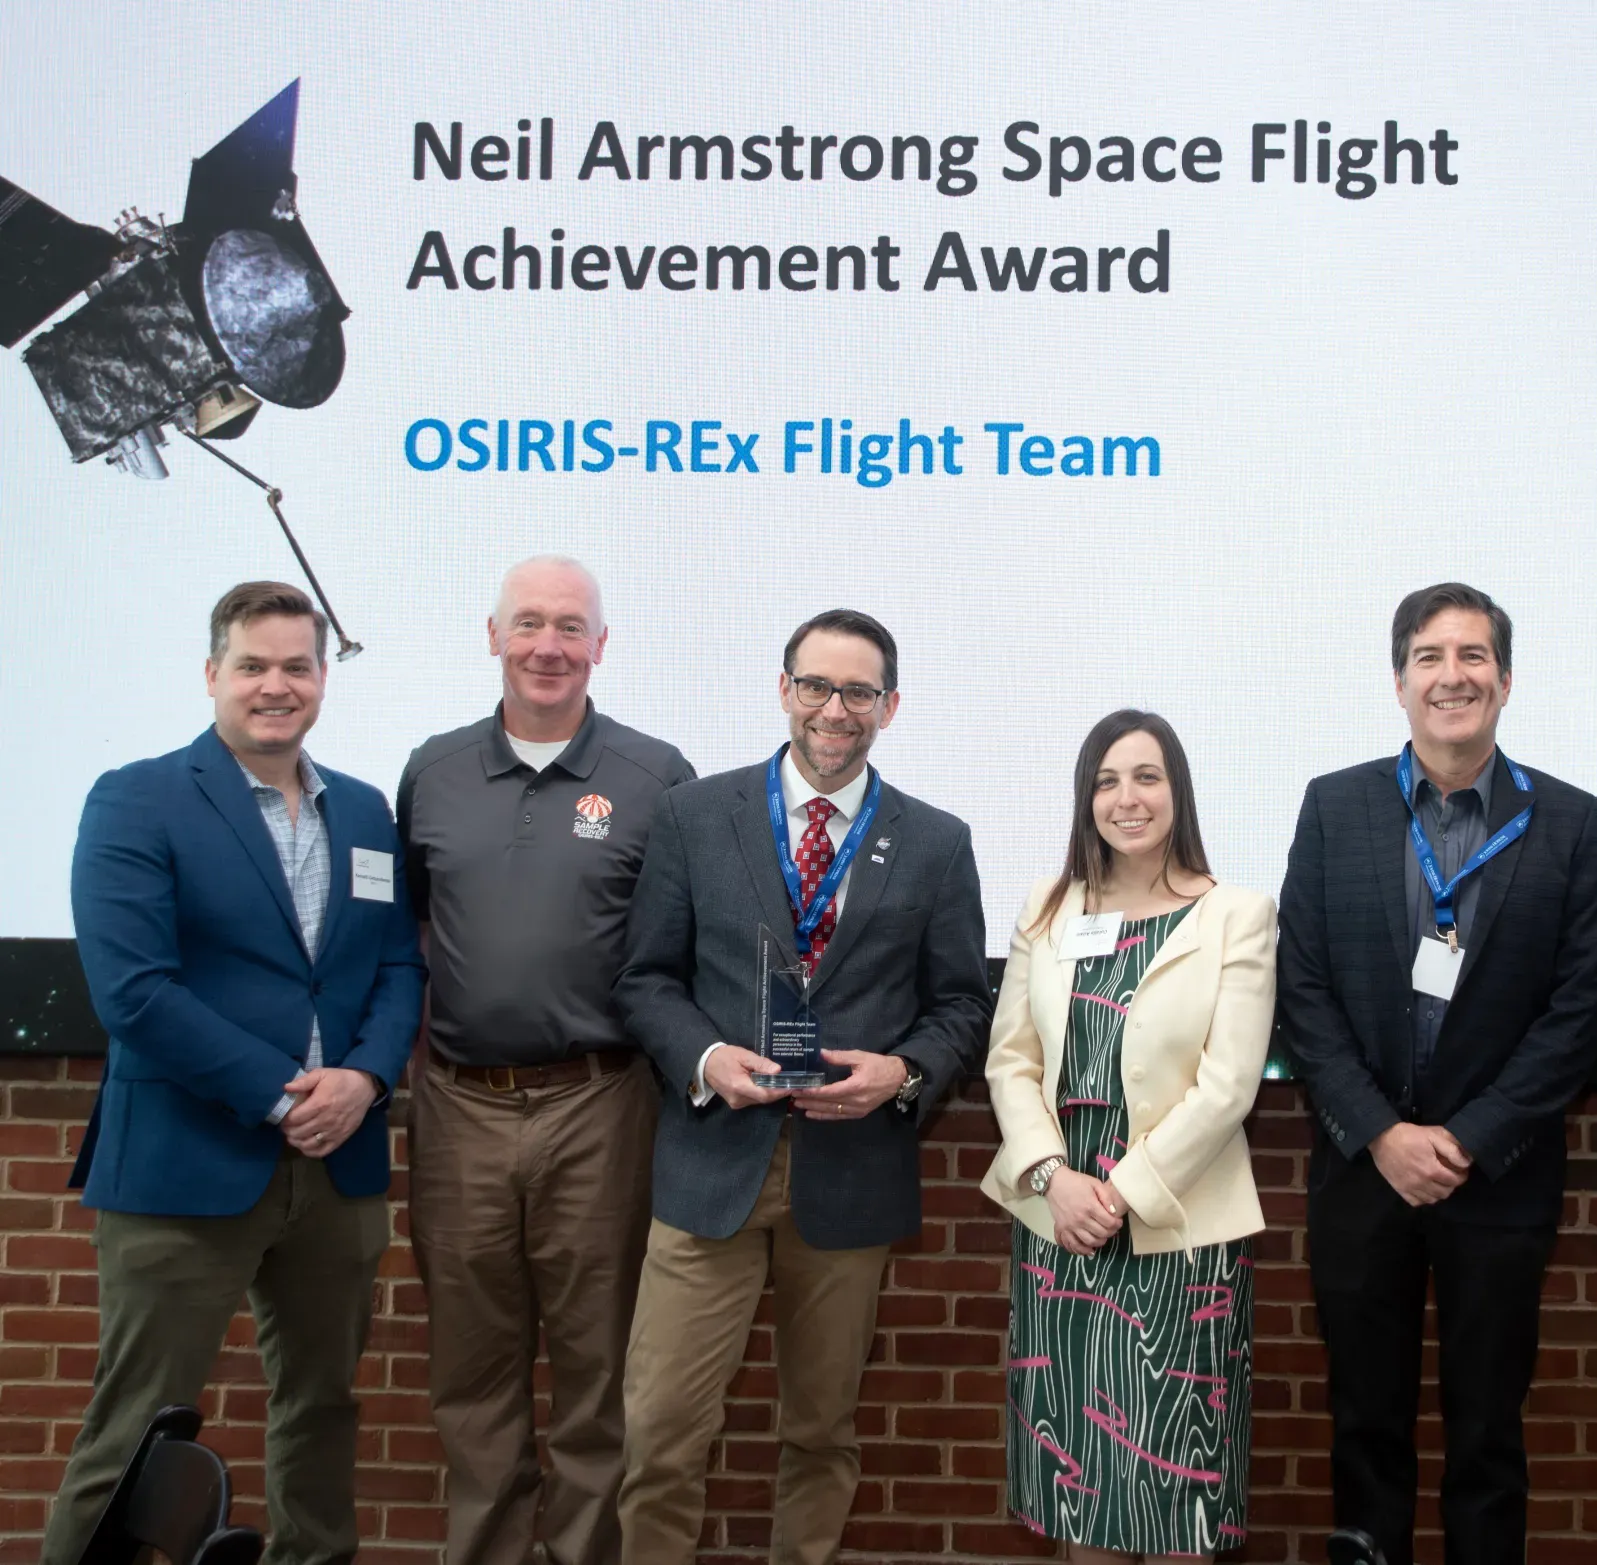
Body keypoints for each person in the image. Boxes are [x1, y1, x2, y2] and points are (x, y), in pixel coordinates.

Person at [42, 581, 424, 1565]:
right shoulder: (137, 796)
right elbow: (134, 990)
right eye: (253, 664)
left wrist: (365, 1080)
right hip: (186, 1161)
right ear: (213, 673)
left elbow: (393, 965)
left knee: (323, 1409)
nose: (275, 685)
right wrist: (279, 1090)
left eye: (297, 664)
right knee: (134, 1426)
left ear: (322, 678)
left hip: (336, 1168)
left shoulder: (366, 814)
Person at [613, 608, 992, 1565]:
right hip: (710, 1168)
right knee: (661, 1431)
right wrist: (705, 1058)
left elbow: (960, 1003)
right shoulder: (698, 815)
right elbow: (645, 978)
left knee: (822, 1433)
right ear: (784, 690)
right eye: (816, 685)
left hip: (850, 1173)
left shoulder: (938, 841)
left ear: (889, 707)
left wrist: (903, 1072)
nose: (835, 708)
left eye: (858, 691)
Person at [1277, 582, 1597, 1565]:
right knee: (1363, 1426)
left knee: (1486, 1434)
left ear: (1504, 681)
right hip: (1360, 1171)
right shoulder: (1334, 805)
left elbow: (1576, 1011)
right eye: (1428, 655)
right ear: (1398, 681)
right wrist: (1380, 1131)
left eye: (1472, 656)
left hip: (1496, 1180)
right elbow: (1301, 986)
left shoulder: (1568, 820)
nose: (1450, 674)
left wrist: (1467, 1135)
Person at [396, 556, 695, 1565]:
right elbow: (406, 934)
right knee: (470, 1374)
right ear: (493, 635)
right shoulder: (430, 772)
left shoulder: (656, 779)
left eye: (571, 626)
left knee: (596, 1370)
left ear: (600, 645)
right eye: (528, 623)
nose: (548, 645)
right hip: (458, 1105)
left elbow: (682, 952)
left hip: (599, 1108)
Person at [982, 709, 1276, 1561]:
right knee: (1082, 1488)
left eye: (1147, 776)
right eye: (1107, 780)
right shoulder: (1048, 906)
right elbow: (1011, 1060)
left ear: (1178, 792)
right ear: (1087, 799)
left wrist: (1122, 1192)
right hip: (1060, 1228)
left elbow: (1228, 1084)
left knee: (1178, 1491)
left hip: (1179, 1233)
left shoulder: (1238, 914)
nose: (1127, 798)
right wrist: (1052, 1177)